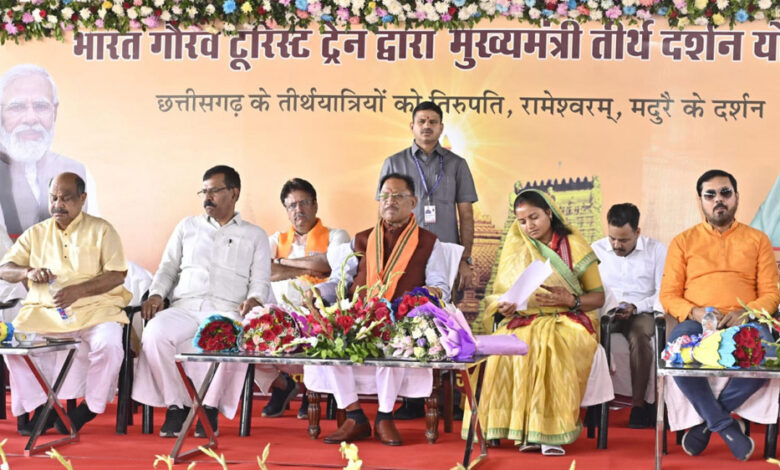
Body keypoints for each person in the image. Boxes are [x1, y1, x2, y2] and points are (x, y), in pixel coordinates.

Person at [304, 173, 451, 446]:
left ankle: (384, 417)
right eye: (385, 195)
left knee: (396, 338)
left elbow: (441, 287)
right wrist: (318, 292)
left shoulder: (429, 242)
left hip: (400, 320)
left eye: (398, 196)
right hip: (358, 317)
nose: (390, 201)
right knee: (331, 338)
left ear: (413, 202)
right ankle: (354, 415)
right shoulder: (361, 239)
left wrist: (421, 300)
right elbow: (339, 281)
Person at [132, 165, 274, 438]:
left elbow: (260, 281)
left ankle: (209, 408)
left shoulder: (255, 235)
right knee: (154, 334)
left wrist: (254, 300)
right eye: (204, 191)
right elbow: (167, 268)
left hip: (227, 309)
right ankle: (177, 405)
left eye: (214, 191)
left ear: (234, 193)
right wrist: (157, 294)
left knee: (230, 336)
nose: (207, 198)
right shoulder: (187, 227)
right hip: (185, 307)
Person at [466, 188, 605, 456]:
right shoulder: (516, 246)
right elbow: (500, 294)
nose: (529, 226)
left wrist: (572, 299)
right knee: (505, 347)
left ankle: (548, 432)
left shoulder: (574, 245)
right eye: (522, 221)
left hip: (569, 319)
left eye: (534, 218)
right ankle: (510, 428)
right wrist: (504, 306)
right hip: (524, 319)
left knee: (550, 345)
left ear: (549, 214)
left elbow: (598, 298)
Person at [660, 169, 780, 461]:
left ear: (736, 197)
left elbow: (771, 294)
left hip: (745, 320)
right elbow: (668, 295)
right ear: (700, 200)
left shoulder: (757, 240)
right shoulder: (683, 241)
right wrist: (695, 312)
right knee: (676, 354)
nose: (719, 200)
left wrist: (746, 312)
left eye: (725, 193)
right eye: (710, 195)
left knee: (768, 353)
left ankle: (708, 423)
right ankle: (726, 426)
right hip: (696, 321)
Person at [0, 172, 131, 434]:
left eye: (66, 198)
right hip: (45, 313)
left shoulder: (102, 230)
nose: (58, 204)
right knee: (12, 347)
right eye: (53, 198)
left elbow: (117, 274)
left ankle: (90, 407)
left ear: (83, 198)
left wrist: (79, 291)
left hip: (96, 311)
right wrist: (28, 272)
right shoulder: (36, 233)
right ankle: (44, 406)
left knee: (109, 344)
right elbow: (5, 268)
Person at [378, 100, 478, 419]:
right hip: (404, 257)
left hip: (445, 256)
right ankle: (412, 400)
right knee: (404, 318)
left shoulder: (457, 164)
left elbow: (466, 214)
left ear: (441, 128)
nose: (427, 126)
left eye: (433, 121)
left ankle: (448, 399)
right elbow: (384, 211)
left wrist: (465, 260)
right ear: (412, 126)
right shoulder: (394, 163)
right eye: (421, 121)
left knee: (446, 324)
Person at [261, 178, 349, 420]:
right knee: (247, 328)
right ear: (286, 210)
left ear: (315, 205)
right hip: (279, 313)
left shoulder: (336, 236)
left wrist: (282, 262)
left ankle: (314, 388)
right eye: (292, 205)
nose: (298, 209)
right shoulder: (275, 240)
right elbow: (264, 270)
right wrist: (309, 267)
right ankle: (282, 384)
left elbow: (329, 265)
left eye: (304, 203)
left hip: (319, 312)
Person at [0, 64, 98, 237]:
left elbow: (93, 242)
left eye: (40, 106)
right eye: (17, 107)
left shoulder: (78, 173)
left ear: (55, 112)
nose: (30, 118)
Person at [591, 203, 666, 428]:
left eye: (623, 240)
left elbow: (663, 292)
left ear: (637, 232)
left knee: (640, 337)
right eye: (612, 238)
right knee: (589, 334)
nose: (616, 245)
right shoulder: (596, 250)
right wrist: (611, 308)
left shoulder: (656, 250)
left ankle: (640, 406)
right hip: (607, 310)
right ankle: (595, 404)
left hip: (642, 311)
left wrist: (636, 306)